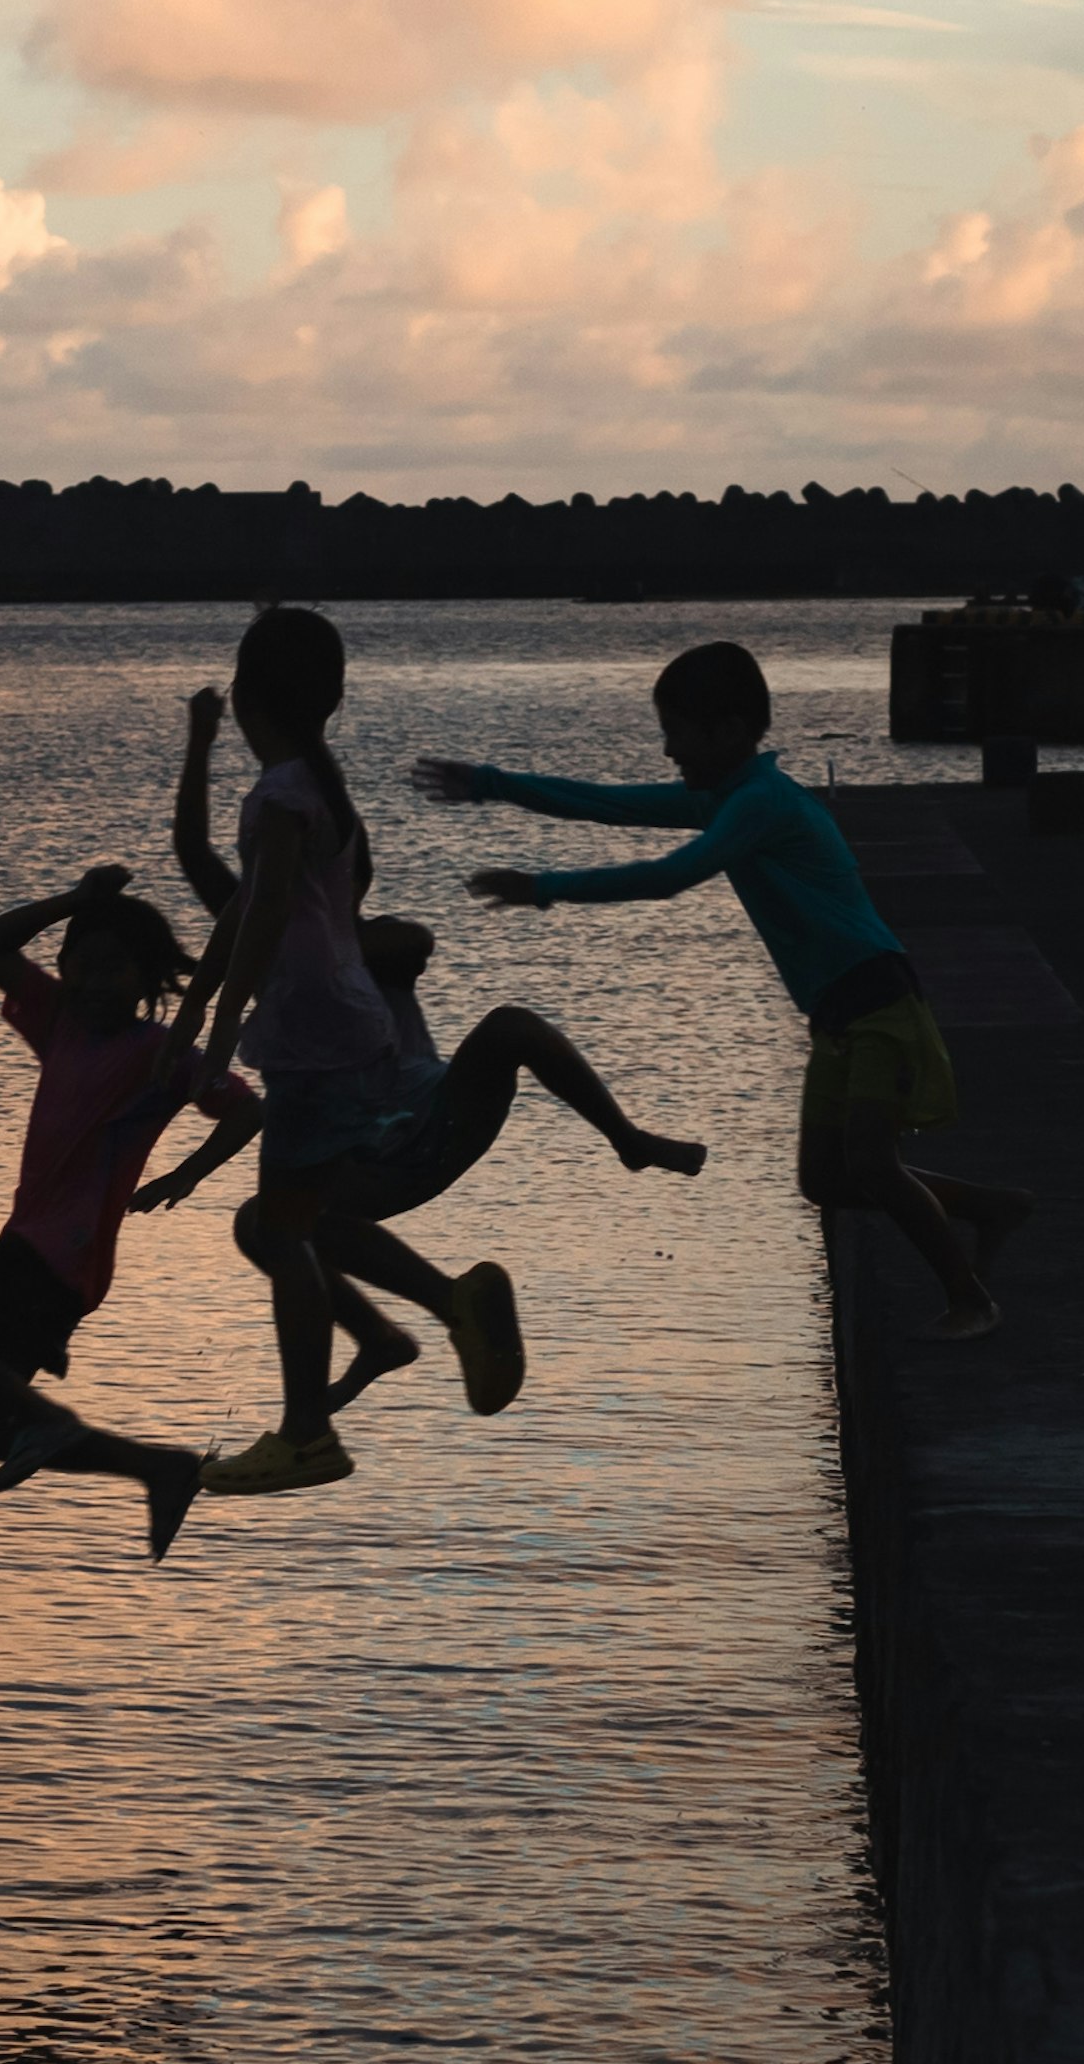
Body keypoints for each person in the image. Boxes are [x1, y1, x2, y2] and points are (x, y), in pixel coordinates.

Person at [415, 638, 1027, 1337]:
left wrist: (545, 888)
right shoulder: (732, 797)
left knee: (871, 1163)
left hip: (878, 999)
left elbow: (673, 874)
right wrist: (495, 783)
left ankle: (970, 1296)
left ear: (729, 729)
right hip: (838, 1011)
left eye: (677, 733)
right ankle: (987, 1207)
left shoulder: (759, 804)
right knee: (826, 1179)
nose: (669, 751)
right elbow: (612, 805)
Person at [166, 685, 703, 1429]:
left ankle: (627, 1141)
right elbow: (199, 858)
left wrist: (304, 941)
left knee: (509, 1025)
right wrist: (201, 741)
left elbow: (411, 941)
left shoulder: (373, 942)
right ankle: (400, 1326)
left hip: (431, 1118)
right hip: (370, 1154)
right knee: (268, 1222)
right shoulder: (270, 929)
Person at [172, 608, 525, 1497]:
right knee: (284, 1222)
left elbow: (258, 914)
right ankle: (431, 1315)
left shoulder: (283, 795)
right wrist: (196, 1015)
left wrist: (215, 1030)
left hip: (309, 1035)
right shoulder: (325, 793)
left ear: (251, 697)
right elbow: (247, 909)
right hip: (336, 1026)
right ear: (330, 698)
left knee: (284, 1231)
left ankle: (306, 1432)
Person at [0, 865, 262, 1563]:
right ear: (65, 968)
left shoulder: (159, 1054)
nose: (96, 981)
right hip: (35, 1252)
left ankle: (53, 1422)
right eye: (83, 965)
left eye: (116, 969)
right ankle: (157, 1467)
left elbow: (246, 1107)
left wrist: (187, 1173)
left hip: (56, 1259)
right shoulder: (60, 1023)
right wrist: (77, 902)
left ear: (147, 981)